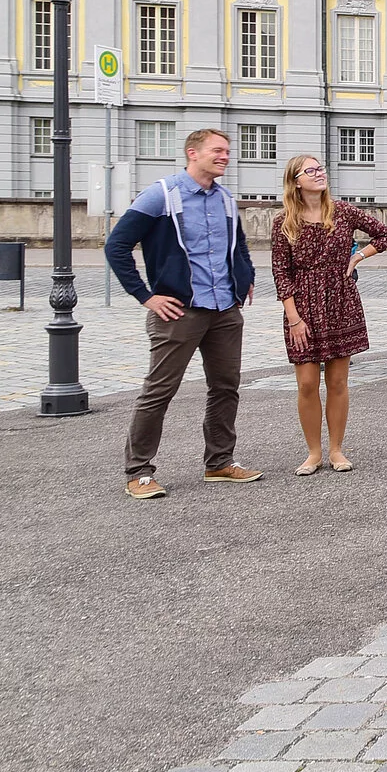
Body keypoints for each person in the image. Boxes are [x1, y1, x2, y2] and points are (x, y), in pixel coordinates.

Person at [104, 127, 260, 499]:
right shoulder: (162, 194)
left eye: (227, 151)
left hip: (224, 309)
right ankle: (139, 471)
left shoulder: (224, 198)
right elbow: (117, 246)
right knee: (159, 391)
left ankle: (219, 462)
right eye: (217, 151)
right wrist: (146, 296)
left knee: (225, 388)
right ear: (193, 153)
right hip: (178, 312)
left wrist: (245, 279)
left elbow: (239, 247)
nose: (225, 156)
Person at [270, 154, 387, 475]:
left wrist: (358, 257)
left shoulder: (343, 211)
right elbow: (280, 272)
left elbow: (386, 236)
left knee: (338, 382)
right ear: (296, 180)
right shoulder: (284, 222)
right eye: (310, 171)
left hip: (341, 302)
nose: (319, 174)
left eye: (320, 169)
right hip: (303, 306)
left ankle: (336, 450)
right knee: (306, 383)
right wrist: (294, 317)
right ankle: (313, 453)